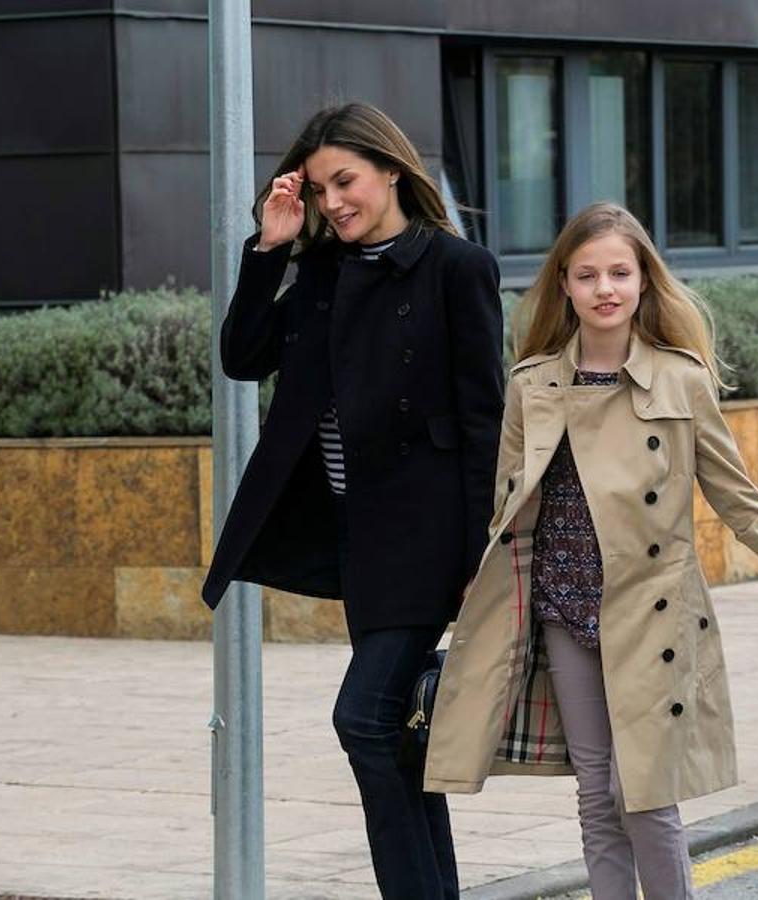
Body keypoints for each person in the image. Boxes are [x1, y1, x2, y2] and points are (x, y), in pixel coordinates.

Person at [422, 202, 758, 899]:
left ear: (643, 282)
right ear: (565, 287)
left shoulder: (682, 380)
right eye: (586, 275)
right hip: (562, 609)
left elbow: (739, 500)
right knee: (595, 793)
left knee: (643, 794)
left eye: (619, 272)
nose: (605, 288)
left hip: (651, 613)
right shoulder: (532, 384)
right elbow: (507, 509)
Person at [199, 102, 504, 900]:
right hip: (356, 538)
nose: (335, 202)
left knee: (363, 721)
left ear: (391, 170)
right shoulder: (323, 273)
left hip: (430, 538)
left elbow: (486, 423)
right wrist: (270, 246)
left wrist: (483, 560)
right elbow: (241, 357)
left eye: (348, 181)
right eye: (322, 188)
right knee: (397, 737)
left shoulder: (455, 268)